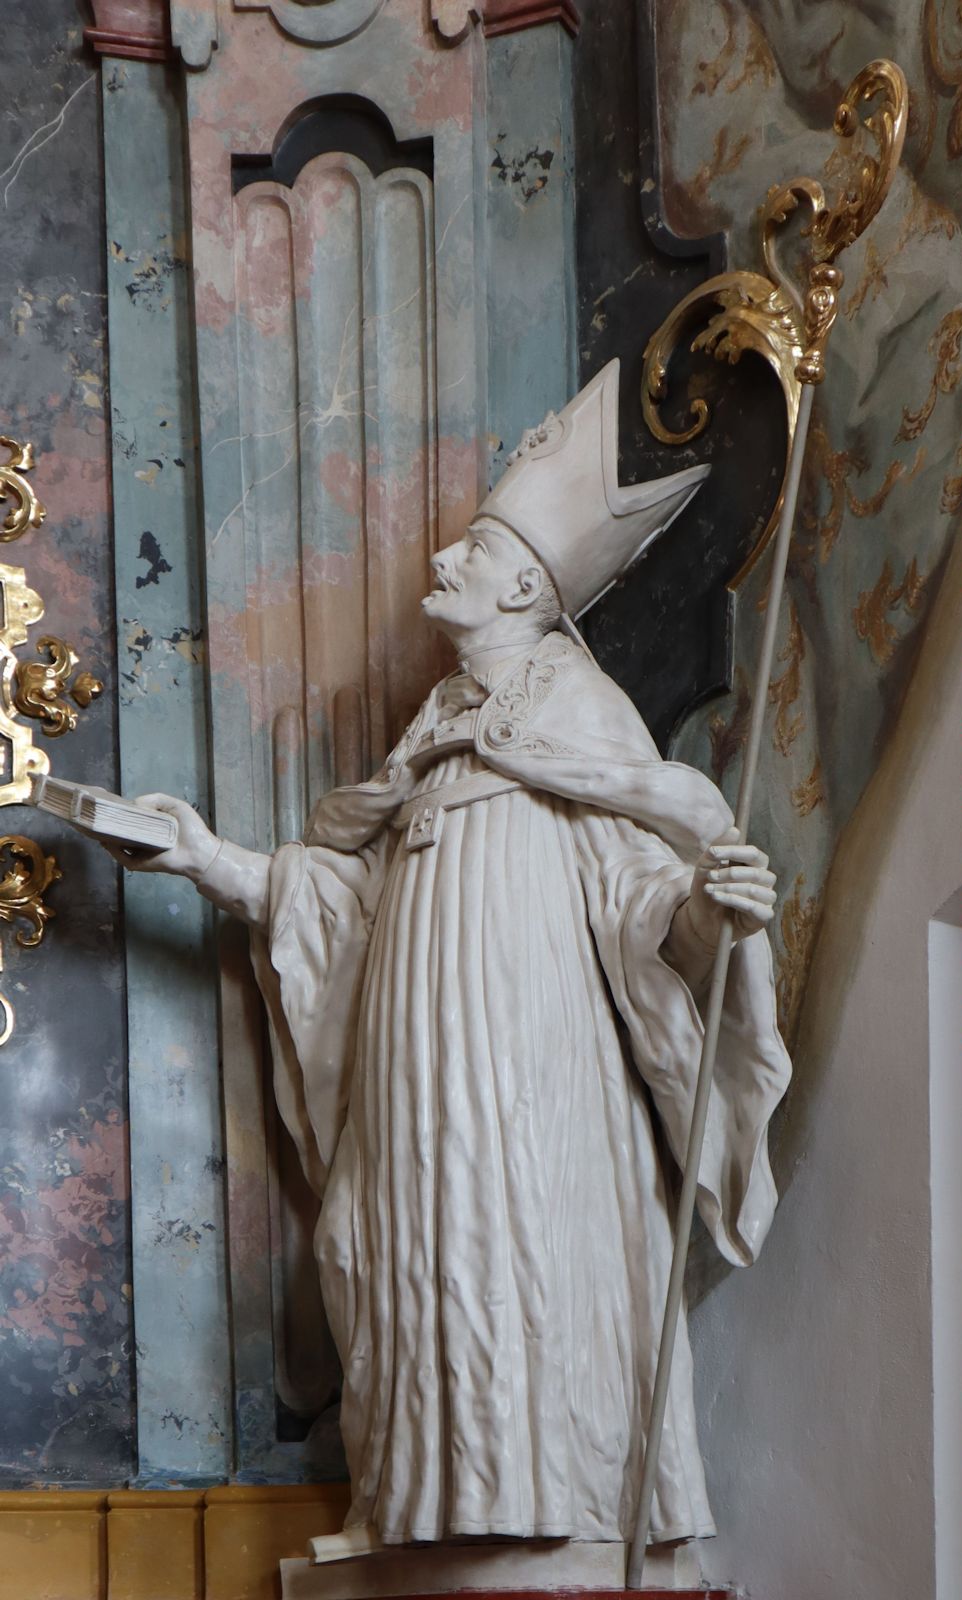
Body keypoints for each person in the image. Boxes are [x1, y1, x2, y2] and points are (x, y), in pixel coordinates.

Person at [105, 361, 790, 1553]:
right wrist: (207, 856)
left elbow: (647, 909)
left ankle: (547, 1512)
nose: (441, 564)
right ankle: (421, 1506)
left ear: (527, 583)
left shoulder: (581, 724)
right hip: (412, 1084)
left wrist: (713, 909)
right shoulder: (431, 736)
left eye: (468, 553)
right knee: (395, 1254)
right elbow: (341, 905)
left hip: (531, 1077)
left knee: (523, 1264)